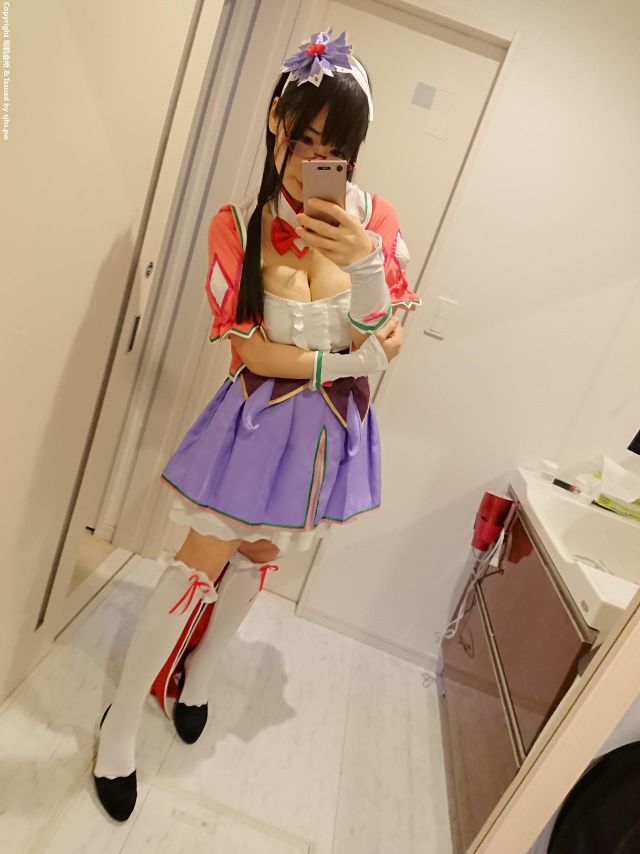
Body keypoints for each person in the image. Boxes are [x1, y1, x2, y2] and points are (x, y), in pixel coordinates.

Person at [92, 28, 421, 822]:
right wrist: (345, 361)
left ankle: (198, 682)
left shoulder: (376, 220)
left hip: (326, 438)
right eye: (302, 139)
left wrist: (365, 262)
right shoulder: (236, 225)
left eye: (334, 150)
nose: (313, 162)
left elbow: (388, 337)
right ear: (275, 119)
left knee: (262, 557)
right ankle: (118, 727)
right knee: (195, 565)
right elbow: (251, 351)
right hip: (258, 420)